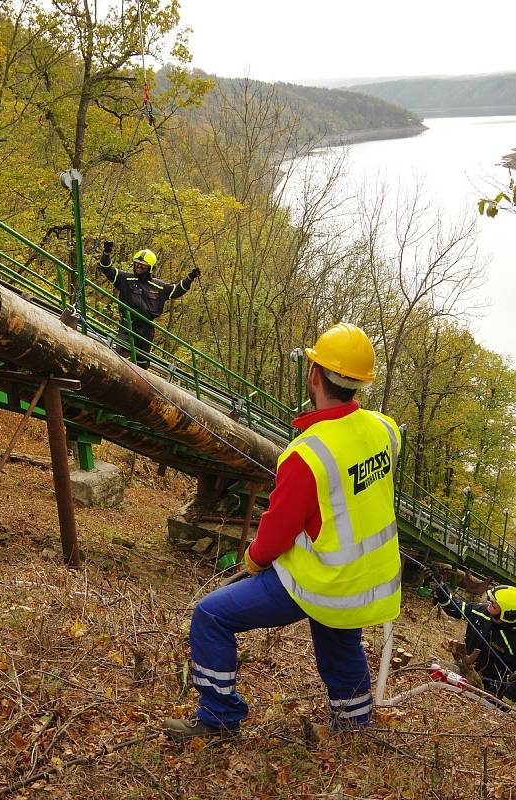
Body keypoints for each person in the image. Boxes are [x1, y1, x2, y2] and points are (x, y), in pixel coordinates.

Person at [162, 322, 402, 741]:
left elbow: (276, 533)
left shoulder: (307, 454)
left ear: (314, 375)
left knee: (210, 616)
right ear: (361, 382)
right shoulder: (386, 429)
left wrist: (253, 559)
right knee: (339, 642)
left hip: (321, 581)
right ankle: (354, 728)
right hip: (367, 581)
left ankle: (218, 719)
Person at [98, 240, 200, 368]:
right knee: (120, 355)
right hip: (128, 326)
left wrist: (189, 278)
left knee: (142, 364)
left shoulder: (159, 286)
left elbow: (176, 290)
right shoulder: (125, 279)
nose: (139, 268)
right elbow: (106, 268)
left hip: (146, 330)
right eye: (137, 265)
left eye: (143, 266)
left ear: (150, 268)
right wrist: (106, 253)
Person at [433, 580, 516, 701]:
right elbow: (452, 607)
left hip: (491, 692)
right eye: (490, 600)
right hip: (463, 672)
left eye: (493, 605)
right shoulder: (481, 611)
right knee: (434, 669)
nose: (488, 605)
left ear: (508, 614)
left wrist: (506, 699)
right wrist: (440, 585)